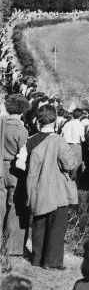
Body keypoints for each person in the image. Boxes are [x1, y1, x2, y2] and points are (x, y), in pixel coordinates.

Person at [16, 104, 78, 270]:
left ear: (38, 120)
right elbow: (69, 164)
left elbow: (20, 163)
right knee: (56, 225)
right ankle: (51, 261)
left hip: (37, 189)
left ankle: (37, 258)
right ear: (55, 120)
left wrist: (34, 170)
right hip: (56, 190)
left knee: (39, 223)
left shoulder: (30, 140)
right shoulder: (58, 140)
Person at [0, 94, 30, 256]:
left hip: (0, 166)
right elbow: (23, 154)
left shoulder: (1, 124)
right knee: (14, 206)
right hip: (14, 170)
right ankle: (11, 247)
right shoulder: (21, 130)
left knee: (0, 204)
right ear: (23, 110)